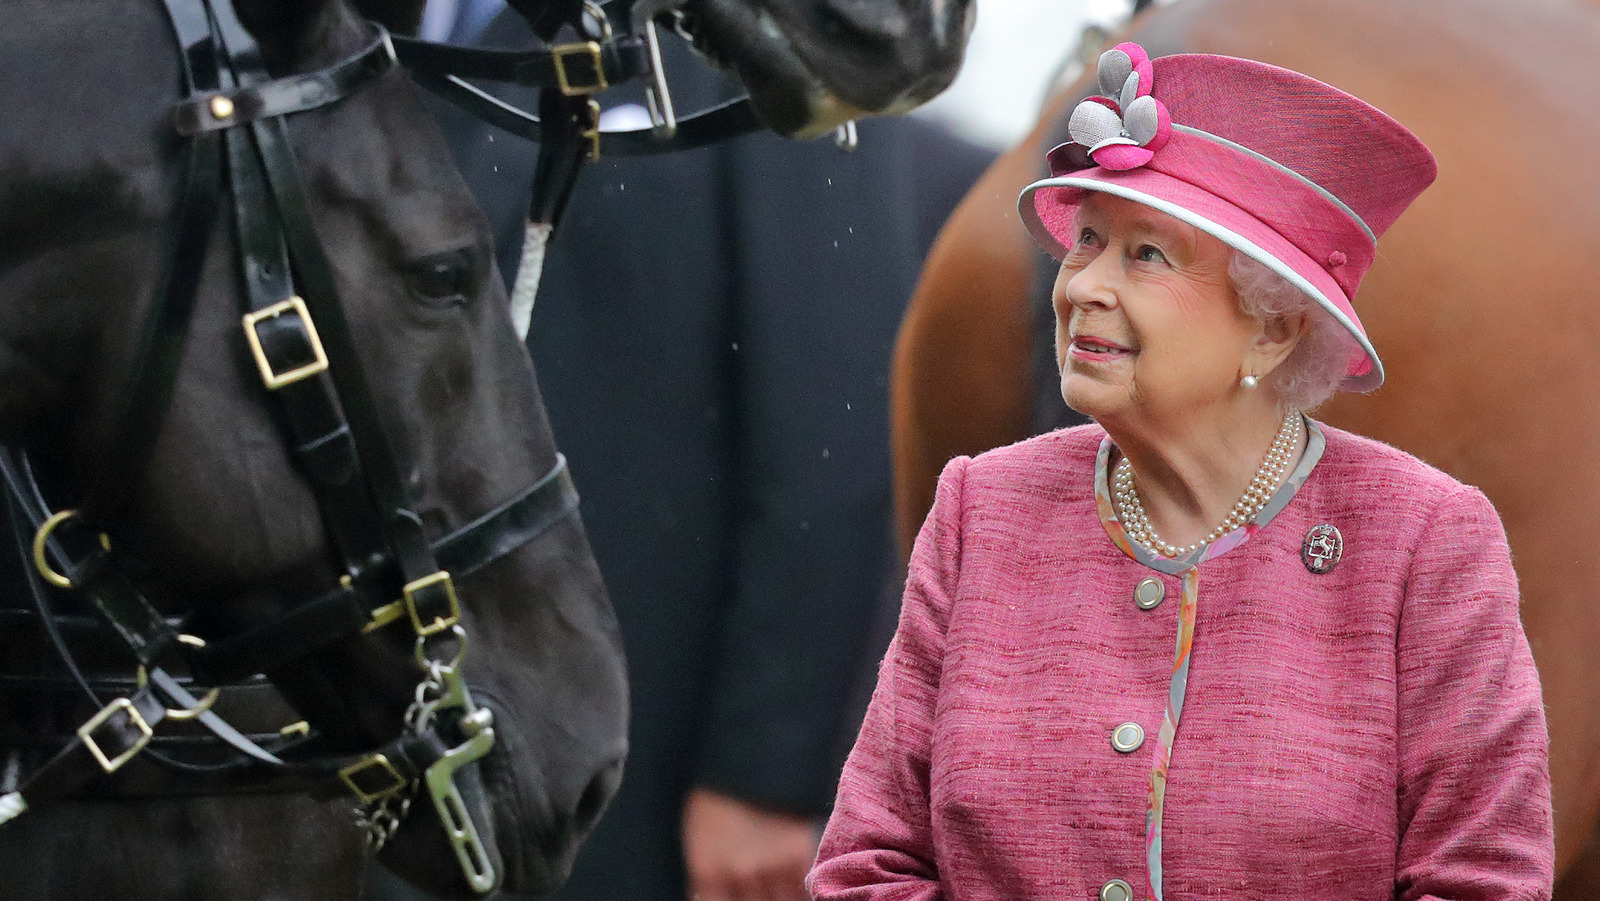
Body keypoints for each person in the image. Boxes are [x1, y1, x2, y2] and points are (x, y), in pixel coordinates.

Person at [808, 43, 1554, 900]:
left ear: (1271, 328)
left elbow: (1482, 880)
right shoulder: (983, 507)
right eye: (1086, 240)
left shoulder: (1424, 540)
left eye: (1147, 255)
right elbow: (868, 865)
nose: (1082, 283)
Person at [367, 7, 995, 901]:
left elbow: (831, 410)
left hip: (645, 763)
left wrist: (767, 775)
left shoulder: (762, 34)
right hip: (384, 744)